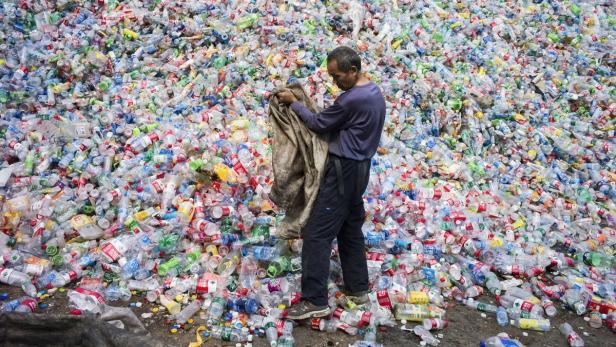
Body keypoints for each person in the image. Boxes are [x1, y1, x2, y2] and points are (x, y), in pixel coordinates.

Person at [276, 46, 386, 320]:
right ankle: (358, 288)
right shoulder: (373, 91)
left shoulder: (352, 100)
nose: (335, 82)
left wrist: (294, 102)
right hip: (361, 169)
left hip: (342, 170)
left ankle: (314, 300)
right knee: (349, 229)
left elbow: (317, 123)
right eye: (331, 76)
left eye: (338, 76)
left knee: (317, 233)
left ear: (353, 70)